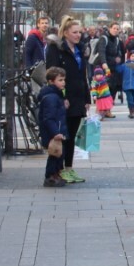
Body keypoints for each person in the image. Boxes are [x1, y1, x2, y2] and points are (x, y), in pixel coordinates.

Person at [44, 17, 91, 184]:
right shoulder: (56, 49)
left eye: (80, 32)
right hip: (64, 99)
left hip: (78, 97)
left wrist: (87, 97)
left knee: (72, 136)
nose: (78, 35)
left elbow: (83, 75)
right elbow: (52, 75)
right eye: (74, 32)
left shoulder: (80, 49)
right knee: (62, 135)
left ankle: (69, 168)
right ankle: (57, 170)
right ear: (65, 33)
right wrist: (61, 97)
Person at [37, 67, 68, 187]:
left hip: (58, 129)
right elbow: (48, 118)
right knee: (55, 154)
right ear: (51, 81)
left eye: (64, 80)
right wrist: (55, 133)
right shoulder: (51, 97)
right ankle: (50, 176)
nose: (63, 82)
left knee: (59, 153)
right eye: (60, 80)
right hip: (53, 132)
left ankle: (56, 174)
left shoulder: (56, 95)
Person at [93, 22, 124, 112]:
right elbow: (101, 52)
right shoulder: (104, 38)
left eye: (117, 29)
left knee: (113, 88)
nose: (115, 30)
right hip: (102, 66)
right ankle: (100, 109)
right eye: (114, 28)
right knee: (102, 88)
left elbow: (119, 51)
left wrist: (118, 57)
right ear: (110, 28)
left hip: (113, 66)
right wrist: (104, 63)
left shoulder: (117, 40)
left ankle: (108, 110)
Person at [119, 51, 134, 118]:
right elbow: (119, 69)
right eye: (132, 56)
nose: (133, 58)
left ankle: (133, 110)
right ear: (129, 57)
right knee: (130, 99)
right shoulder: (125, 65)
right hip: (127, 85)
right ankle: (131, 111)